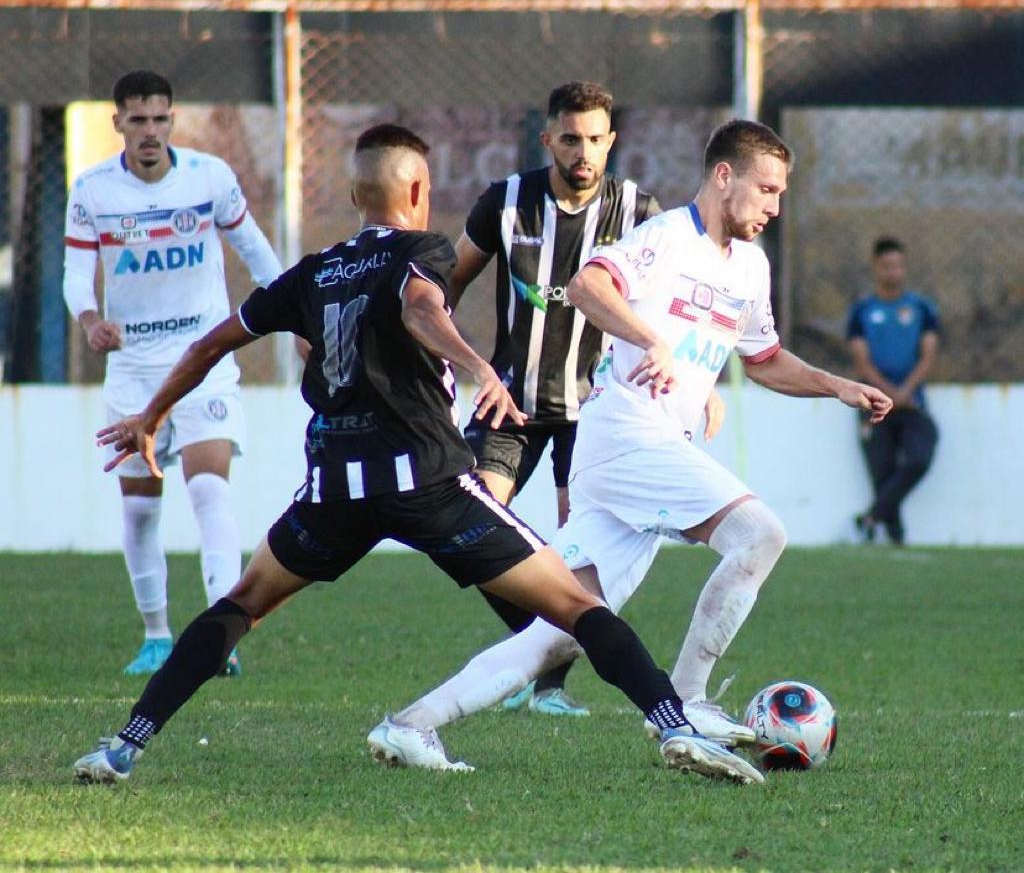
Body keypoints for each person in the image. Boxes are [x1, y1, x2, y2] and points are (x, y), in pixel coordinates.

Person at [72, 123, 764, 788]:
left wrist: (150, 415)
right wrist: (476, 366)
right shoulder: (420, 250)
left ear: (354, 197)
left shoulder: (311, 272)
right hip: (427, 483)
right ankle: (677, 726)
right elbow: (421, 310)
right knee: (580, 607)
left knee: (242, 605)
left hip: (333, 489)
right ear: (417, 191)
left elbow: (209, 346)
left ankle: (123, 746)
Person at [370, 119, 893, 766]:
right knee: (760, 534)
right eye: (765, 190)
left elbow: (763, 358)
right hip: (629, 435)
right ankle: (689, 701)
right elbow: (590, 286)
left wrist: (837, 385)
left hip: (630, 454)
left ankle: (412, 725)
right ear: (723, 176)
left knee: (560, 631)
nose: (773, 208)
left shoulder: (751, 268)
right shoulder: (669, 237)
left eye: (781, 194)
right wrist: (651, 341)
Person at [451, 80, 723, 718]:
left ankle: (547, 686)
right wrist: (445, 364)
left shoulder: (640, 213)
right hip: (512, 398)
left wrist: (700, 384)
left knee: (580, 560)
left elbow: (685, 302)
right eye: (570, 138)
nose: (583, 152)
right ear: (547, 139)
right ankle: (530, 649)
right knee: (477, 526)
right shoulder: (506, 201)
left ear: (612, 142)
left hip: (598, 411)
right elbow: (447, 284)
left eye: (595, 139)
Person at [62, 70, 285, 677]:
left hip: (204, 361)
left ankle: (220, 635)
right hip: (133, 371)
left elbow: (256, 250)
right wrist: (88, 320)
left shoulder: (210, 178)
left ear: (173, 120)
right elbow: (76, 275)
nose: (151, 131)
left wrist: (298, 310)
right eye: (138, 120)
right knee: (140, 509)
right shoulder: (93, 191)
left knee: (210, 489)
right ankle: (157, 636)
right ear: (118, 125)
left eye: (161, 118)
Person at [848, 237, 940, 545]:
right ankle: (895, 537)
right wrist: (889, 393)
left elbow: (928, 355)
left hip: (913, 403)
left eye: (899, 266)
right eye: (887, 266)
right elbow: (862, 362)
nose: (894, 272)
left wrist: (905, 391)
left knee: (919, 458)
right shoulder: (862, 311)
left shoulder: (921, 308)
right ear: (876, 267)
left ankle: (871, 516)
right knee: (882, 471)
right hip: (873, 405)